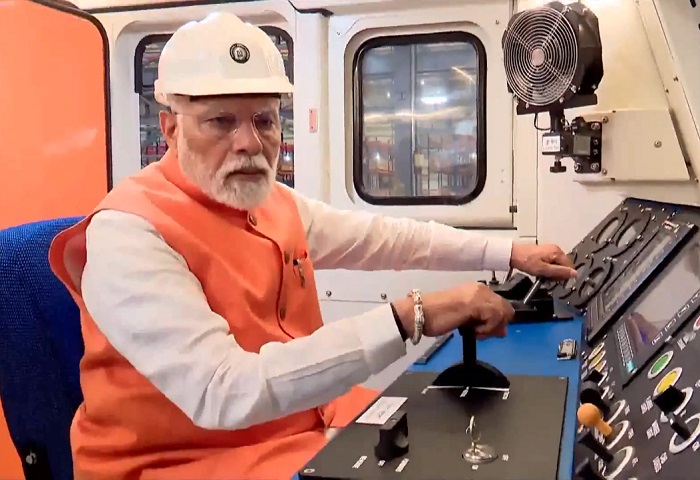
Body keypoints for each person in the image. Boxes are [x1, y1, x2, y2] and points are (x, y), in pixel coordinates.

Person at [49, 12, 577, 480]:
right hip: (181, 462)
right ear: (170, 128)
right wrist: (412, 316)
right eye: (220, 121)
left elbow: (384, 240)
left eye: (263, 120)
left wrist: (507, 254)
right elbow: (222, 391)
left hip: (299, 424)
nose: (249, 143)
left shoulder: (267, 201)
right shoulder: (128, 234)